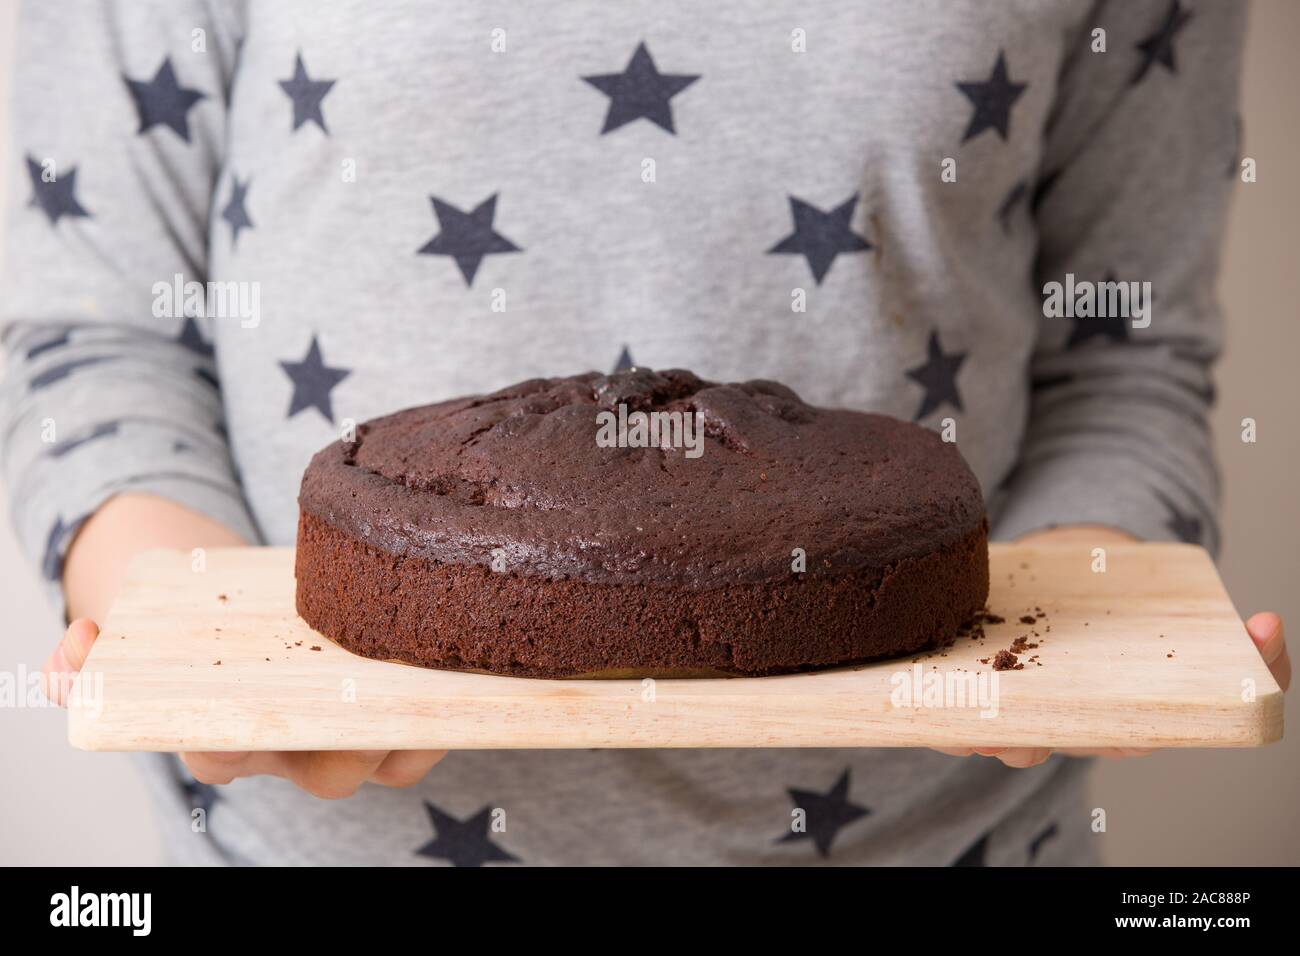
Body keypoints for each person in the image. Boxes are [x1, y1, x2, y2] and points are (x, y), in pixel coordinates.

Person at [3, 0, 1289, 866]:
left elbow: (1124, 354)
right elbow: (89, 326)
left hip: (950, 838)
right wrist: (191, 641)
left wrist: (1069, 633)